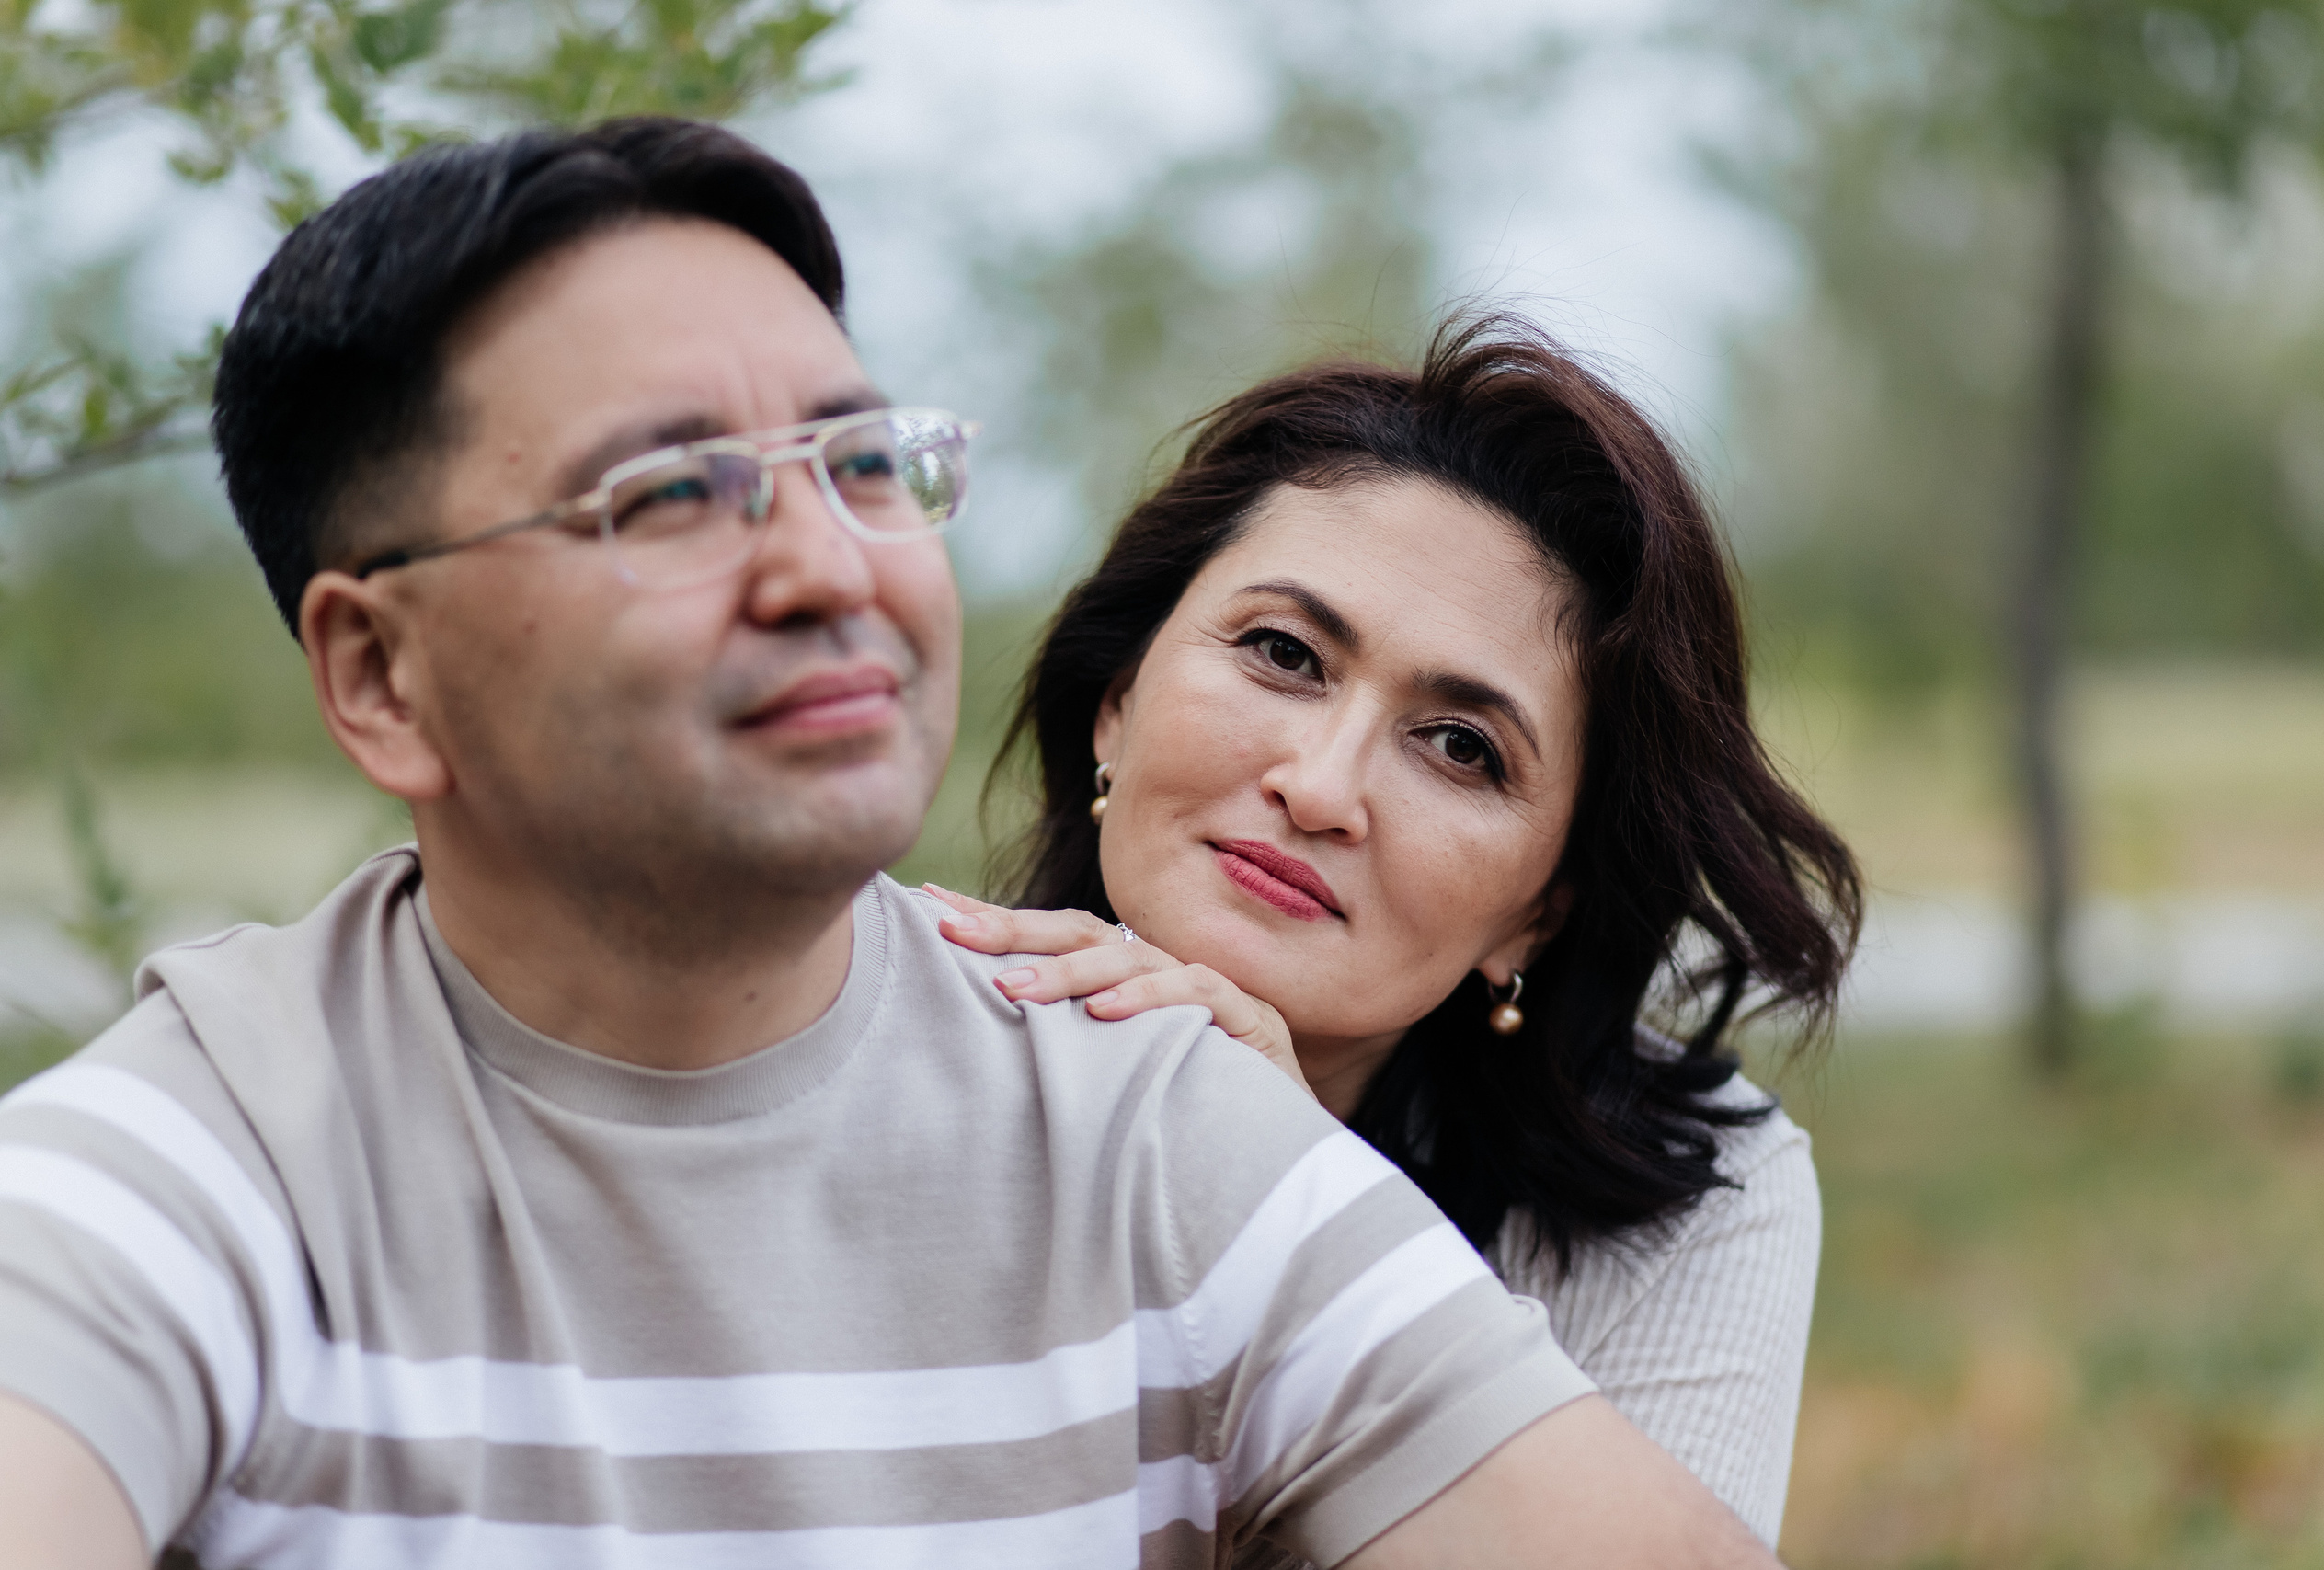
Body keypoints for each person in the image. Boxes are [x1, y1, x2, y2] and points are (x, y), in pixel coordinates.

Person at [0, 120, 1785, 1569]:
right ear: (382, 676)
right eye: (671, 494)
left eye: (859, 464)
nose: (825, 563)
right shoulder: (188, 1169)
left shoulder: (1158, 1123)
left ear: (1544, 898)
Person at [935, 319, 1864, 1549]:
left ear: (1539, 910)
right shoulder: (874, 1045)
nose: (1322, 787)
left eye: (1461, 748)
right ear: (1119, 703)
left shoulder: (1688, 1208)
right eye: (1283, 653)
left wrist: (1285, 1202)